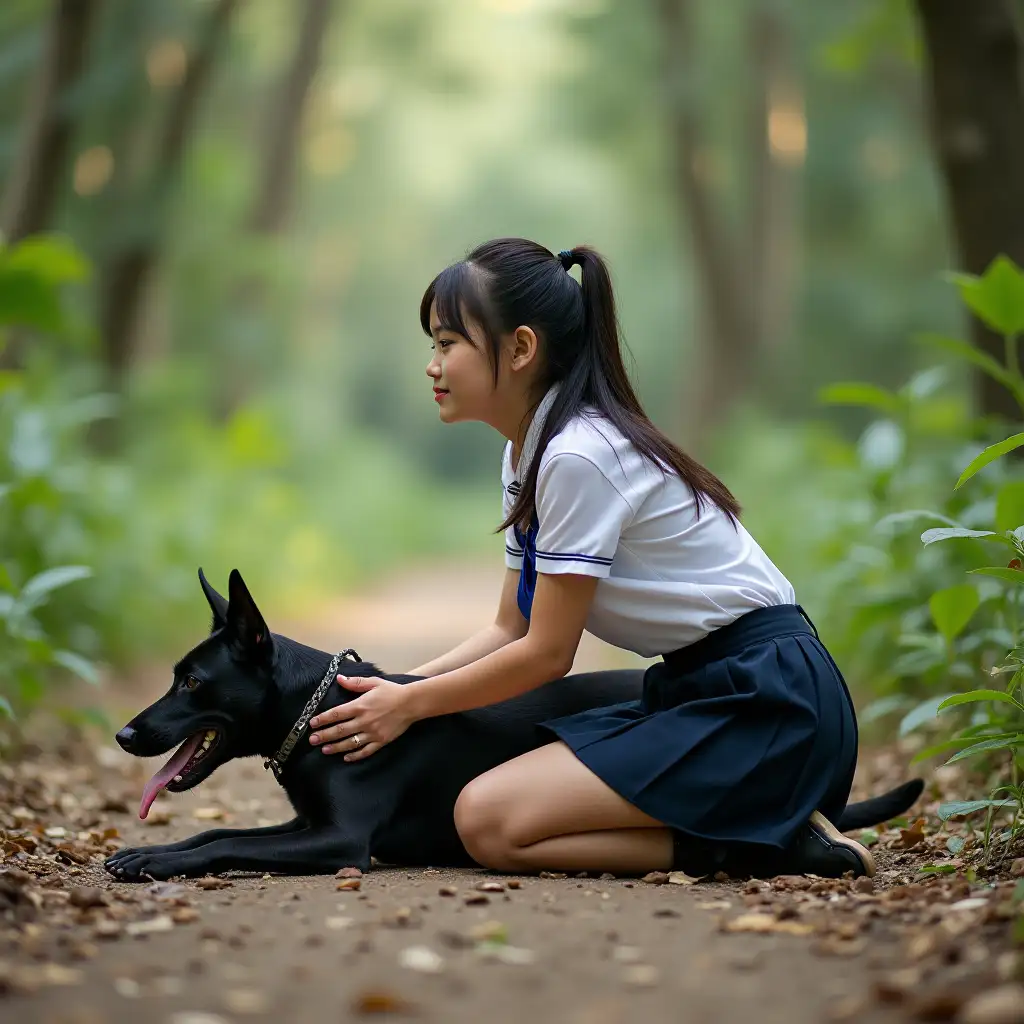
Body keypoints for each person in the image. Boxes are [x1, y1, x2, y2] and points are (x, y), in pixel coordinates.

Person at [305, 237, 873, 880]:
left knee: (488, 820)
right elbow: (508, 628)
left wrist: (410, 707)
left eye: (446, 344)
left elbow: (547, 654)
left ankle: (760, 842)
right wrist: (400, 689)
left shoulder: (579, 455)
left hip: (770, 702)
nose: (432, 366)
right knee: (490, 814)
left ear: (520, 348)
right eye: (433, 345)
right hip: (701, 689)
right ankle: (759, 830)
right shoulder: (529, 453)